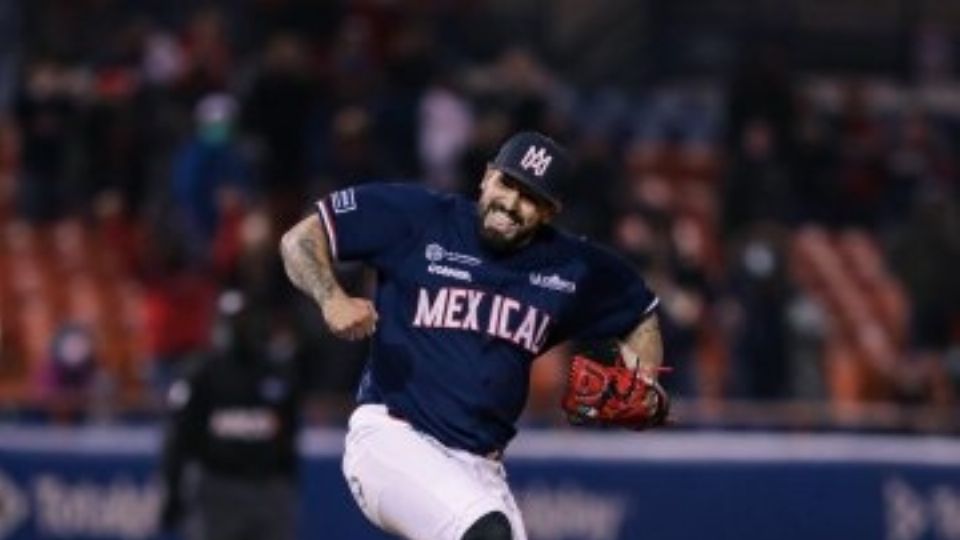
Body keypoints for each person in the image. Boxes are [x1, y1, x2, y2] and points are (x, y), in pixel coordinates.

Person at [280, 131, 666, 540]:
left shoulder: (571, 267)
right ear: (486, 176)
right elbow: (300, 238)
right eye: (507, 183)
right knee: (486, 532)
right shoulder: (419, 217)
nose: (511, 203)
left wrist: (644, 380)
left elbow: (641, 315)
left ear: (550, 211)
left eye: (530, 197)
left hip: (482, 469)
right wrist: (331, 298)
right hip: (393, 439)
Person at [159, 290, 305, 540]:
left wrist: (287, 481)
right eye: (232, 322)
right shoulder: (201, 373)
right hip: (217, 488)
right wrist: (173, 490)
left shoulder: (277, 372)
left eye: (244, 321)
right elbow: (178, 437)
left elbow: (290, 433)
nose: (239, 330)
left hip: (268, 488)